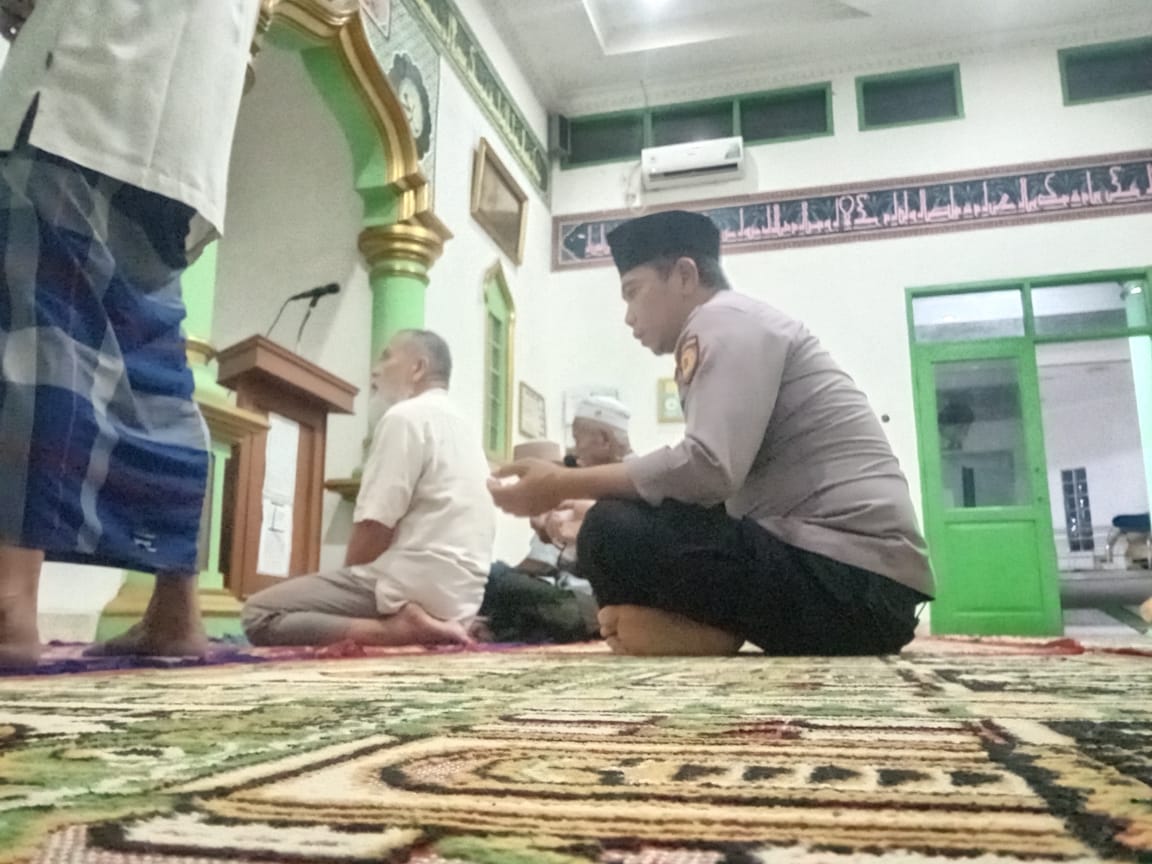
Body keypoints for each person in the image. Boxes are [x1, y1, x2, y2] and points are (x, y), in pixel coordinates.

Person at [489, 210, 934, 657]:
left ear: (685, 275)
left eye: (633, 292)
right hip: (861, 590)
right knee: (611, 519)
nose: (628, 316)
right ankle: (694, 629)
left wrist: (562, 483)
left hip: (856, 584)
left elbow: (708, 468)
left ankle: (698, 630)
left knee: (610, 527)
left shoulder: (722, 321)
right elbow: (712, 491)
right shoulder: (736, 323)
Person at [0, 0, 261, 664]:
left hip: (87, 73)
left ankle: (7, 600)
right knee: (152, 364)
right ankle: (176, 610)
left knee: (37, 333)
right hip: (184, 125)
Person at [242, 330, 495, 647]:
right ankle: (438, 624)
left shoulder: (405, 417)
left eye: (387, 357)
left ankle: (396, 631)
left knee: (258, 613)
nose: (375, 370)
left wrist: (344, 584)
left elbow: (375, 525)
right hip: (462, 597)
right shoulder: (467, 429)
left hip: (410, 586)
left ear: (418, 368)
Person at [477, 396, 633, 643]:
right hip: (585, 605)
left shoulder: (631, 485)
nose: (575, 450)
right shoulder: (611, 483)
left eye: (578, 439)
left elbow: (547, 564)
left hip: (592, 607)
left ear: (604, 440)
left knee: (491, 577)